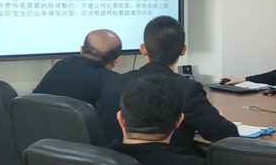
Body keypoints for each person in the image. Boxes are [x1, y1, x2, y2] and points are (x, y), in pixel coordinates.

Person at [97, 16, 238, 150]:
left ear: (143, 49)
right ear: (183, 50)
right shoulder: (187, 89)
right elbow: (225, 134)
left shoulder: (115, 82)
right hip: (173, 164)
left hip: (120, 162)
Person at [34, 29, 122, 106]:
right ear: (115, 61)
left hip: (34, 118)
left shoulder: (62, 64)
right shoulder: (115, 82)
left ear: (81, 50)